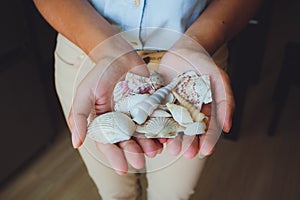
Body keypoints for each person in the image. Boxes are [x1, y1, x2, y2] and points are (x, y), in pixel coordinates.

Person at [33, 0, 260, 199]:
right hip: (89, 51)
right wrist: (109, 51)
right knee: (115, 194)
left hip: (194, 56)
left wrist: (196, 43)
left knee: (172, 196)